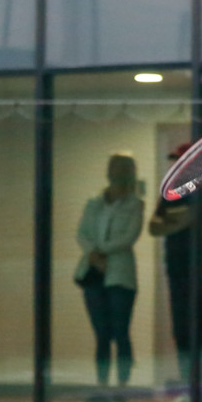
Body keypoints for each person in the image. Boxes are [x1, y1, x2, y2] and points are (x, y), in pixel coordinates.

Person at [149, 143, 202, 388]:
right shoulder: (170, 194)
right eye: (175, 160)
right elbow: (154, 227)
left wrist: (173, 221)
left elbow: (190, 217)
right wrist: (182, 219)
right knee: (182, 333)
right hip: (178, 271)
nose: (176, 165)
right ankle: (190, 388)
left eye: (180, 160)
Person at [75, 153, 144, 388]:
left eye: (124, 169)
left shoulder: (135, 204)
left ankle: (123, 385)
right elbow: (82, 233)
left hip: (120, 275)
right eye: (115, 168)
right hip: (93, 273)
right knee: (101, 334)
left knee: (120, 331)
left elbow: (129, 236)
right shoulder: (93, 204)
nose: (118, 174)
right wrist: (92, 253)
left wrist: (101, 251)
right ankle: (102, 384)